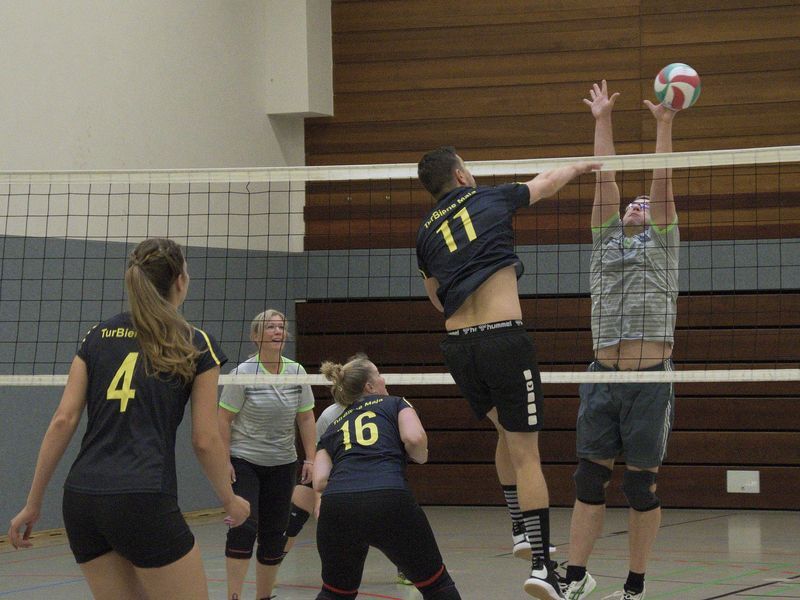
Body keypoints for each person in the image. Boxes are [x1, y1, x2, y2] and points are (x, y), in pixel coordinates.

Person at [6, 237, 250, 600]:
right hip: (143, 496)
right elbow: (204, 439)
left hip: (82, 501)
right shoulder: (195, 343)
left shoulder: (97, 336)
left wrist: (33, 502)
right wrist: (229, 500)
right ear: (180, 281)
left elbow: (62, 420)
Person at [415, 147, 600, 599]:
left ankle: (519, 528)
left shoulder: (424, 233)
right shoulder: (490, 198)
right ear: (461, 175)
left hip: (458, 347)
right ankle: (543, 568)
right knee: (527, 454)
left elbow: (436, 299)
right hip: (503, 340)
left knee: (505, 432)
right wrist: (579, 165)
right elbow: (545, 184)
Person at [560, 80, 680, 600]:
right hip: (602, 376)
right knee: (589, 480)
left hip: (649, 380)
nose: (638, 205)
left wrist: (664, 124)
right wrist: (602, 119)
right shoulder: (604, 241)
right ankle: (575, 578)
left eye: (645, 205)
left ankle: (634, 587)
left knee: (639, 486)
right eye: (632, 204)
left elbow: (662, 181)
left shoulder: (664, 246)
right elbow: (605, 177)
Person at [312, 354, 461, 600]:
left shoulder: (334, 425)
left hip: (338, 505)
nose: (384, 379)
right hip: (388, 498)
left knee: (335, 593)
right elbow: (414, 438)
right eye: (379, 374)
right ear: (370, 386)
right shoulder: (396, 403)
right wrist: (421, 456)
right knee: (436, 584)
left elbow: (319, 480)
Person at [218, 308, 317, 600]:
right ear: (256, 336)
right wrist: (224, 461)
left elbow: (306, 418)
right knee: (243, 527)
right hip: (245, 461)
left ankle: (264, 596)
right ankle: (234, 596)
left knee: (275, 535)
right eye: (271, 327)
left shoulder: (296, 372)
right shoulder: (242, 374)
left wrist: (311, 458)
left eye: (281, 327)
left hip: (283, 463)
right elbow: (223, 420)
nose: (277, 332)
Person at [283, 397, 415, 586]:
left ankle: (407, 568)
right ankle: (272, 560)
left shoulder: (392, 406)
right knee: (297, 505)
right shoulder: (330, 415)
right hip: (338, 473)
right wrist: (319, 497)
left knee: (393, 510)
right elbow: (321, 455)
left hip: (375, 474)